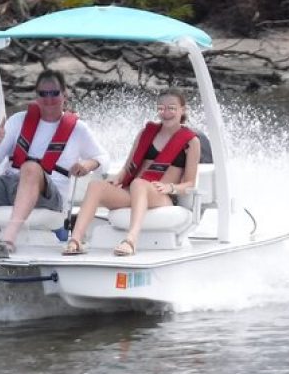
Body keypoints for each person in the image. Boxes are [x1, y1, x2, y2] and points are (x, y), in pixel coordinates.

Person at [0, 69, 108, 253]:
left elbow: (103, 159)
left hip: (50, 195)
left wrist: (87, 165)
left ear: (64, 95)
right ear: (36, 96)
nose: (49, 99)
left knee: (31, 168)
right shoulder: (17, 121)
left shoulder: (79, 129)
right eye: (43, 94)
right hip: (9, 185)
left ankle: (8, 240)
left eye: (54, 93)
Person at [63, 88, 201, 257]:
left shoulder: (191, 142)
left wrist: (170, 188)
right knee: (96, 186)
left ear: (183, 110)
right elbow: (127, 168)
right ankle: (76, 240)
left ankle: (131, 240)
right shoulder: (145, 133)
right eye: (161, 108)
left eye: (171, 108)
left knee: (138, 183)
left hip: (162, 196)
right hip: (135, 191)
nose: (166, 113)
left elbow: (190, 184)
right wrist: (116, 180)